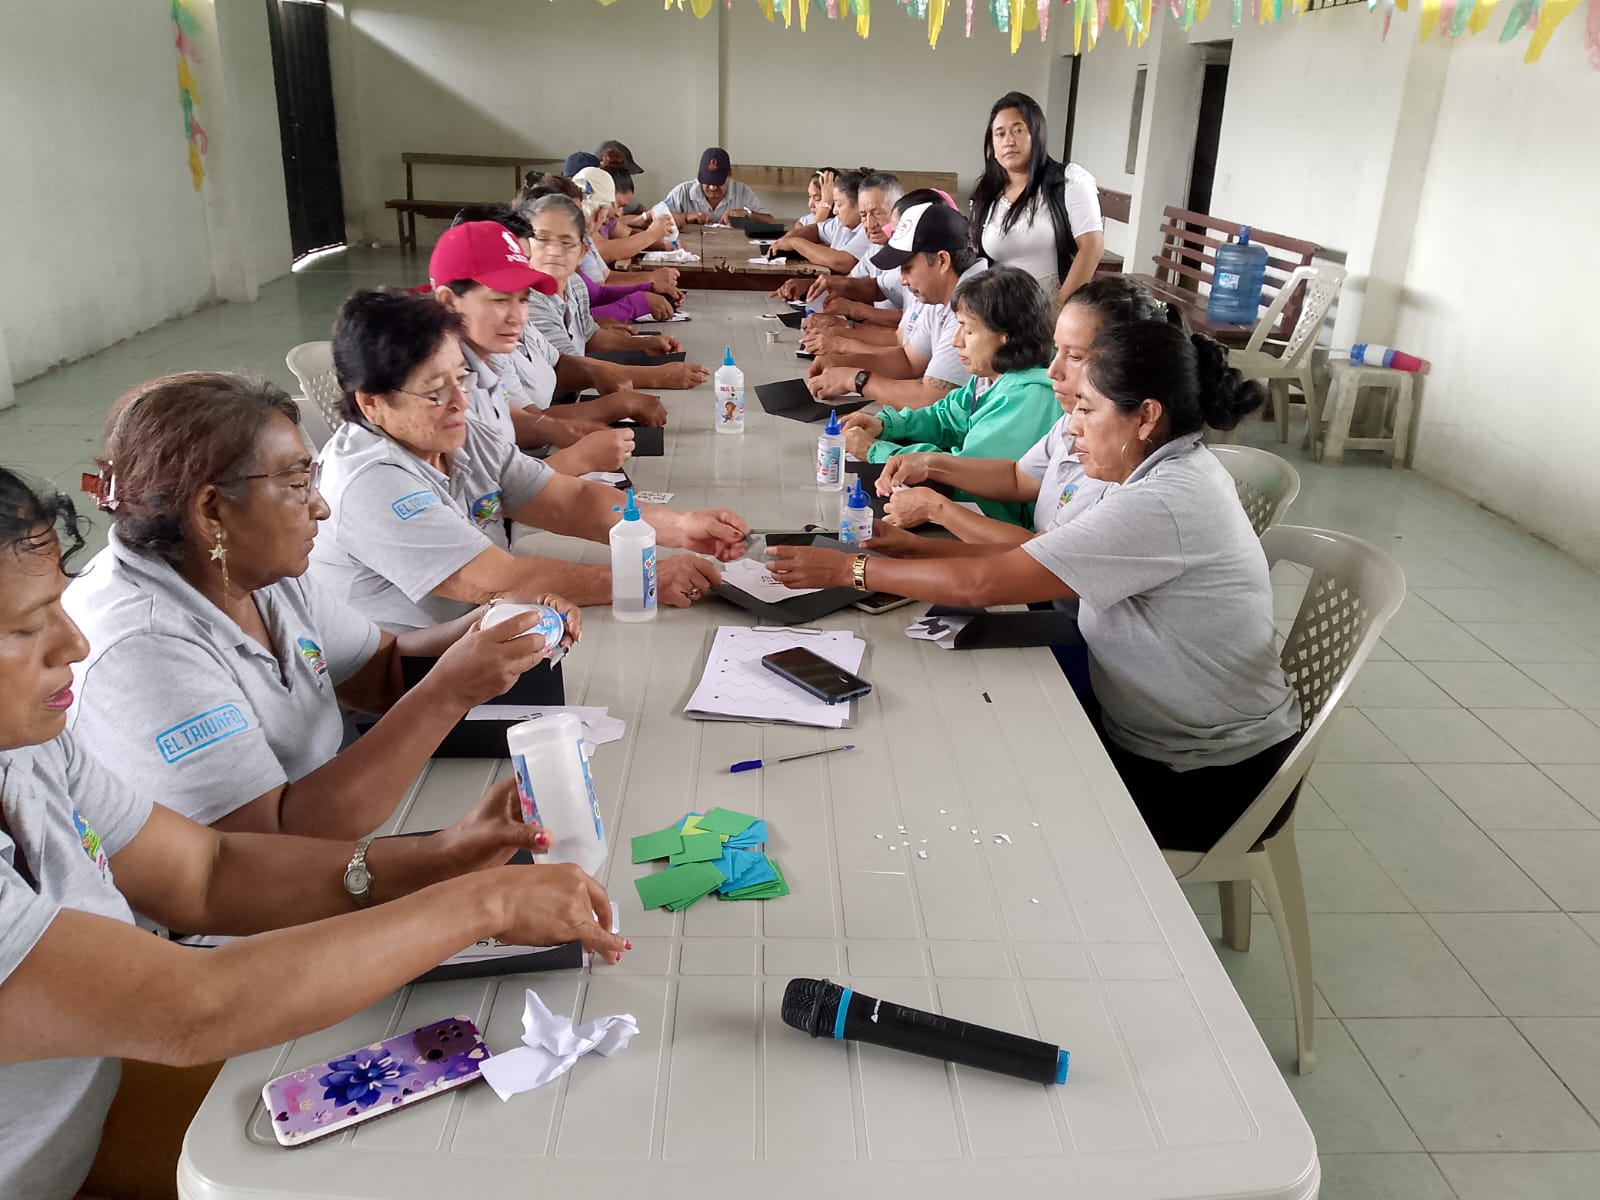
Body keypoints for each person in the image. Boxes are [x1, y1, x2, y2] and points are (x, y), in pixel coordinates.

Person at [0, 466, 628, 1200]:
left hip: (87, 1107)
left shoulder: (28, 746)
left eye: (58, 605)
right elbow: (191, 1009)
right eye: (26, 626)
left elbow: (207, 872)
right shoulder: (130, 647)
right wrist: (481, 904)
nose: (74, 643)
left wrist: (437, 856)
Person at [767, 320, 1301, 854]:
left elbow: (982, 584)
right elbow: (1030, 560)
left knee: (972, 787)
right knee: (967, 731)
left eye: (1087, 410)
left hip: (1208, 777)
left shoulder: (1161, 501)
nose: (1072, 429)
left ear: (1146, 417)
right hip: (1151, 731)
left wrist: (849, 571)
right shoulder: (1159, 472)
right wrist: (914, 548)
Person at [62, 374, 570, 836]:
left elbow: (377, 669)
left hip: (337, 832)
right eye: (296, 485)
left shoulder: (254, 572)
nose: (321, 507)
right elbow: (262, 847)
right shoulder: (143, 648)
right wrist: (449, 691)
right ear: (211, 509)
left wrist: (486, 625)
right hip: (263, 888)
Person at [310, 289, 743, 631]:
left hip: (484, 634)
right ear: (371, 403)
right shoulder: (369, 481)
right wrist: (641, 579)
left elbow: (567, 500)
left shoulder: (455, 435)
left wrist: (681, 527)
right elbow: (497, 579)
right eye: (434, 391)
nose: (461, 402)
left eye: (461, 378)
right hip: (409, 676)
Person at [870, 275, 1168, 546]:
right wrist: (927, 462)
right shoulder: (1071, 417)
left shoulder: (1128, 474)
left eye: (1075, 356)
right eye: (1057, 351)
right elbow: (1017, 477)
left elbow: (1039, 555)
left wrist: (935, 508)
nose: (1052, 371)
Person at [836, 268, 1059, 527]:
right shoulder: (990, 375)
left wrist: (876, 451)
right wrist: (886, 425)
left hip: (994, 523)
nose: (956, 341)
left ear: (1004, 338)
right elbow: (945, 417)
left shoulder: (1028, 395)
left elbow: (967, 473)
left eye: (968, 330)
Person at [443, 207, 670, 453]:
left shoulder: (491, 349)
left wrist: (594, 374)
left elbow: (555, 365)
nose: (517, 315)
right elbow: (519, 433)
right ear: (449, 301)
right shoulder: (456, 367)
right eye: (500, 298)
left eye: (522, 299)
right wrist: (620, 404)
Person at [520, 194, 711, 392]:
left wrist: (641, 345)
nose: (554, 250)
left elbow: (590, 335)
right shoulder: (527, 299)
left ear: (582, 253)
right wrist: (658, 376)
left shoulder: (574, 283)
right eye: (542, 238)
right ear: (525, 245)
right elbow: (567, 365)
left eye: (566, 242)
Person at [806, 202, 987, 410]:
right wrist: (841, 362)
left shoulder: (974, 305)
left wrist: (855, 379)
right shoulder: (941, 294)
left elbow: (931, 399)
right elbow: (908, 360)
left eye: (907, 268)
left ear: (942, 261)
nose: (902, 280)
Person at [970, 92, 1105, 308]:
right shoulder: (987, 192)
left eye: (1018, 130)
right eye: (1000, 134)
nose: (1008, 141)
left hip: (1051, 307)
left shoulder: (1069, 180)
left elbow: (1092, 247)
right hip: (999, 311)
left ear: (1037, 134)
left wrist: (1060, 311)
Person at [774, 170, 904, 307]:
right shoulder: (877, 246)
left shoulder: (909, 251)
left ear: (899, 210)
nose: (869, 224)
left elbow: (904, 317)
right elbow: (857, 284)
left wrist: (853, 312)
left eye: (877, 213)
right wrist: (809, 285)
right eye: (863, 215)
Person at [771, 170, 872, 275]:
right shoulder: (839, 223)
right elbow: (817, 230)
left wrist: (795, 243)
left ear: (860, 205)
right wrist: (787, 238)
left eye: (839, 205)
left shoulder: (870, 229)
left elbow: (841, 262)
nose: (834, 211)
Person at [662, 147, 773, 226]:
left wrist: (748, 214)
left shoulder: (742, 192)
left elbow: (771, 221)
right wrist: (685, 217)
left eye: (718, 183)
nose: (712, 188)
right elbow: (656, 218)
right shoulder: (683, 192)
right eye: (707, 182)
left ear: (729, 176)